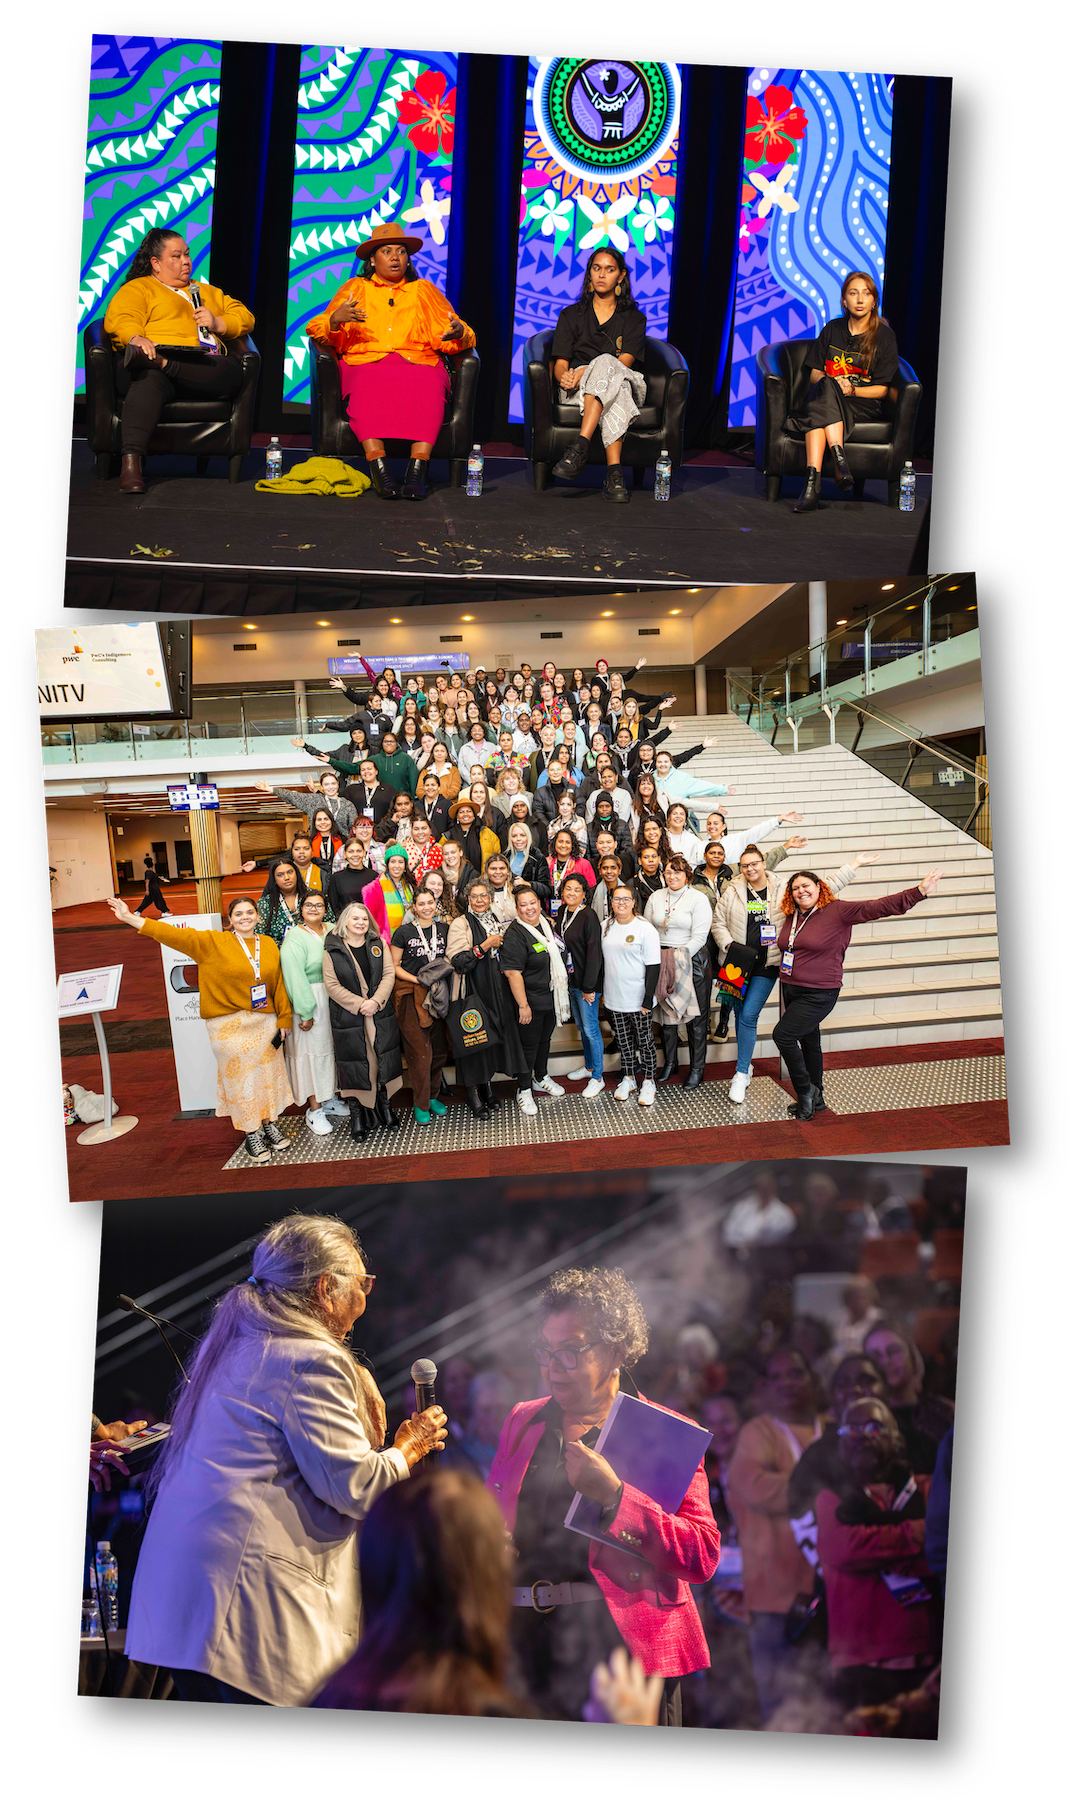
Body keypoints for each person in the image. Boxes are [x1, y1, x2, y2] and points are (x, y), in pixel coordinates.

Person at [124, 1215, 446, 1705]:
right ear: (325, 1289)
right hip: (246, 1620)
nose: (366, 1298)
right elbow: (356, 1487)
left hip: (183, 1619)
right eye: (362, 1284)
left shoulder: (237, 1349)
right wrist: (410, 1447)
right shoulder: (312, 1359)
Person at [487, 1265, 720, 1723]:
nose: (554, 1368)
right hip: (524, 1639)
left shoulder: (666, 1433)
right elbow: (497, 1507)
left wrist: (615, 1498)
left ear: (614, 1352)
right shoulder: (522, 1419)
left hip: (620, 1649)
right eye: (546, 1352)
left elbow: (703, 1554)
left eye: (570, 1352)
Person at [105, 893, 292, 1163]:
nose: (245, 918)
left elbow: (279, 984)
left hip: (265, 1023)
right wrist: (130, 918)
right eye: (238, 914)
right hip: (228, 1026)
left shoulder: (269, 944)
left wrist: (284, 1018)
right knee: (242, 1082)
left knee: (266, 1076)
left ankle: (268, 1124)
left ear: (258, 916)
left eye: (250, 912)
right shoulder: (213, 942)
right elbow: (169, 934)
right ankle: (251, 1131)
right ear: (230, 920)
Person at [305, 221, 476, 500]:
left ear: (407, 259)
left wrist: (458, 331)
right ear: (373, 260)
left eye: (400, 251)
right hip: (366, 361)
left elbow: (455, 332)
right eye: (387, 251)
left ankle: (416, 472)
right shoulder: (356, 289)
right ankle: (380, 469)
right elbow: (320, 328)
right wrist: (335, 320)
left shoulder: (423, 291)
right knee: (367, 382)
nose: (395, 257)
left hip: (417, 360)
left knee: (429, 382)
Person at [773, 866, 942, 1120]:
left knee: (783, 1035)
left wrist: (918, 892)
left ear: (819, 887)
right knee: (809, 1040)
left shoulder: (838, 910)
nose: (801, 891)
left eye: (806, 886)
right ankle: (817, 1096)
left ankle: (805, 1090)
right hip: (791, 987)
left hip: (820, 991)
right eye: (795, 888)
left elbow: (879, 906)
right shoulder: (792, 915)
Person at [712, 844, 874, 1106]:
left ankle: (741, 1073)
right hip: (736, 965)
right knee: (741, 1014)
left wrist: (852, 866)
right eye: (744, 865)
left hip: (769, 964)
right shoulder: (732, 890)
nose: (750, 869)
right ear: (740, 868)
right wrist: (729, 945)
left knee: (750, 1014)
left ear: (763, 863)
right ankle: (746, 1066)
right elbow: (718, 922)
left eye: (755, 863)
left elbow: (822, 886)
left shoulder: (782, 887)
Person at [102, 227, 254, 494]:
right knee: (149, 376)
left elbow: (245, 316)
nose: (186, 261)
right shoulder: (139, 288)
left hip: (200, 370)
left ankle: (164, 364)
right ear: (156, 263)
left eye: (187, 254)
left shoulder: (206, 292)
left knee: (230, 370)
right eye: (176, 256)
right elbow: (122, 318)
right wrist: (136, 338)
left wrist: (218, 322)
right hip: (152, 362)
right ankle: (131, 465)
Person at [815, 1398, 940, 1709]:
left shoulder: (928, 1488)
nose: (862, 1436)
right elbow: (840, 1548)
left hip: (928, 1652)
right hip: (859, 1658)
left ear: (896, 1438)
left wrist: (875, 1548)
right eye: (852, 1429)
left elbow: (945, 1546)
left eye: (874, 1426)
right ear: (841, 1443)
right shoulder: (831, 1497)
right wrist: (914, 1533)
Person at [726, 1346, 825, 1724]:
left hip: (832, 1594)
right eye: (777, 1376)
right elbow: (755, 1486)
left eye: (795, 1373)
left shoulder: (829, 1426)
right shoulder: (758, 1432)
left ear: (811, 1379)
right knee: (782, 1713)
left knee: (830, 1709)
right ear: (765, 1386)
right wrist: (825, 1491)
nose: (787, 1383)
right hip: (774, 1597)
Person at [785, 271, 901, 514]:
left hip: (861, 404)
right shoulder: (832, 329)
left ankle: (811, 488)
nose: (860, 299)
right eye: (853, 293)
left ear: (874, 301)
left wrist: (853, 389)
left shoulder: (885, 337)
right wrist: (834, 382)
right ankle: (840, 461)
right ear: (844, 301)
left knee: (817, 408)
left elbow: (882, 390)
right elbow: (815, 374)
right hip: (829, 398)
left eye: (866, 294)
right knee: (826, 387)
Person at [547, 248, 647, 505]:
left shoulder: (634, 318)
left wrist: (585, 370)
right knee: (617, 393)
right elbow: (560, 363)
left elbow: (624, 361)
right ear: (590, 273)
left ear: (621, 276)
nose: (602, 274)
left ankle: (580, 446)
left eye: (610, 269)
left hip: (623, 379)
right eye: (597, 268)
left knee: (609, 366)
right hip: (578, 390)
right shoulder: (571, 315)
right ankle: (615, 475)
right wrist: (564, 378)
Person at [445, 878, 525, 1119]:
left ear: (490, 898)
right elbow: (458, 962)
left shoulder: (497, 919)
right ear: (468, 900)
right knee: (474, 1041)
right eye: (474, 896)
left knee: (490, 1041)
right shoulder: (461, 924)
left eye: (484, 896)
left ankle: (487, 1087)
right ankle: (473, 1094)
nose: (479, 900)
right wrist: (485, 945)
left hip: (497, 989)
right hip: (473, 989)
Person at [323, 902, 404, 1139]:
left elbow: (389, 975)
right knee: (356, 1064)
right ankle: (357, 1115)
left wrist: (375, 1001)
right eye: (355, 918)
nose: (360, 923)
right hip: (350, 1017)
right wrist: (360, 1004)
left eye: (365, 919)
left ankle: (385, 1107)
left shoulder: (378, 944)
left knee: (382, 1060)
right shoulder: (333, 949)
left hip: (379, 1013)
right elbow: (331, 985)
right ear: (345, 921)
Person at [499, 887, 572, 1117]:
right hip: (529, 1001)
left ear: (539, 903)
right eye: (524, 904)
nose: (529, 908)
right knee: (528, 1047)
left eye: (533, 903)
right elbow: (513, 973)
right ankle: (523, 1088)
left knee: (544, 1041)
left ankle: (540, 1077)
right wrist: (523, 1006)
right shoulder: (515, 933)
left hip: (551, 997)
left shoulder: (545, 924)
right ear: (517, 908)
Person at [645, 855, 714, 1089]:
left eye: (677, 872)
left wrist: (678, 956)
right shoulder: (656, 896)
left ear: (687, 875)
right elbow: (647, 928)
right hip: (662, 958)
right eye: (668, 872)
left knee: (696, 1018)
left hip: (691, 959)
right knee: (667, 1016)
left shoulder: (698, 898)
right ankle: (670, 1063)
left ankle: (697, 1069)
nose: (672, 876)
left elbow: (700, 936)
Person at [280, 891, 342, 1137]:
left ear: (325, 908)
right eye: (309, 905)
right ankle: (314, 1110)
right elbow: (293, 975)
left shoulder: (333, 929)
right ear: (301, 909)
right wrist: (305, 1011)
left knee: (331, 1051)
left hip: (333, 998)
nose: (314, 908)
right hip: (310, 998)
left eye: (319, 905)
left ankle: (329, 1099)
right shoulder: (295, 936)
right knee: (312, 1054)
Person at [391, 885, 451, 1127]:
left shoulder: (445, 929)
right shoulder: (403, 932)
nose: (427, 907)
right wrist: (419, 980)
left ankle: (433, 1095)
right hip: (410, 995)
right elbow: (394, 966)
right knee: (420, 1053)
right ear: (413, 908)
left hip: (439, 995)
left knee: (439, 1051)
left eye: (430, 903)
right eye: (421, 903)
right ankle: (420, 1102)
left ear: (436, 905)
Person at [600, 884, 662, 1105]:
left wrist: (647, 999)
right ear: (611, 902)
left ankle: (649, 1080)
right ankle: (628, 1078)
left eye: (626, 899)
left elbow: (654, 966)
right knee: (624, 1041)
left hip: (638, 998)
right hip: (614, 996)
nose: (621, 903)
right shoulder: (605, 926)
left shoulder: (645, 928)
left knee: (645, 1041)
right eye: (617, 899)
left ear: (634, 902)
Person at [862, 1323, 955, 1464]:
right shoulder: (861, 1423)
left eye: (893, 1351)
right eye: (875, 1356)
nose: (886, 1361)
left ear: (913, 1359)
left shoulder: (945, 1412)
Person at [557, 875, 605, 1099]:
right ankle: (588, 1067)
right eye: (568, 889)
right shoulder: (563, 913)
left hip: (587, 984)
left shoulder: (589, 916)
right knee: (582, 1027)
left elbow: (595, 954)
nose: (572, 893)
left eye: (577, 890)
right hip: (571, 982)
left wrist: (589, 987)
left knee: (591, 1029)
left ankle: (598, 1077)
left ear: (584, 893)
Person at [361, 843, 414, 940]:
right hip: (386, 942)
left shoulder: (409, 885)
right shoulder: (374, 889)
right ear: (387, 864)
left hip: (410, 938)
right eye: (393, 862)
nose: (397, 866)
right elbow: (371, 923)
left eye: (400, 862)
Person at [256, 858, 311, 946]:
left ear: (296, 874)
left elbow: (329, 924)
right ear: (274, 879)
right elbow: (259, 936)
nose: (287, 878)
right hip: (279, 954)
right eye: (280, 875)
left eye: (290, 872)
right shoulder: (265, 903)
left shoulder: (313, 897)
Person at [546, 829, 597, 919]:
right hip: (549, 912)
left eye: (567, 842)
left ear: (572, 845)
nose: (564, 845)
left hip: (577, 914)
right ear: (554, 844)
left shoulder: (584, 864)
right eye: (560, 841)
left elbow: (591, 892)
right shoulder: (547, 862)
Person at [326, 837, 379, 920]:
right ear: (345, 854)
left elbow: (377, 906)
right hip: (345, 925)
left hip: (369, 924)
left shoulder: (374, 876)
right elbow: (334, 907)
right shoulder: (336, 878)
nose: (355, 855)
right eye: (351, 851)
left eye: (359, 851)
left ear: (364, 853)